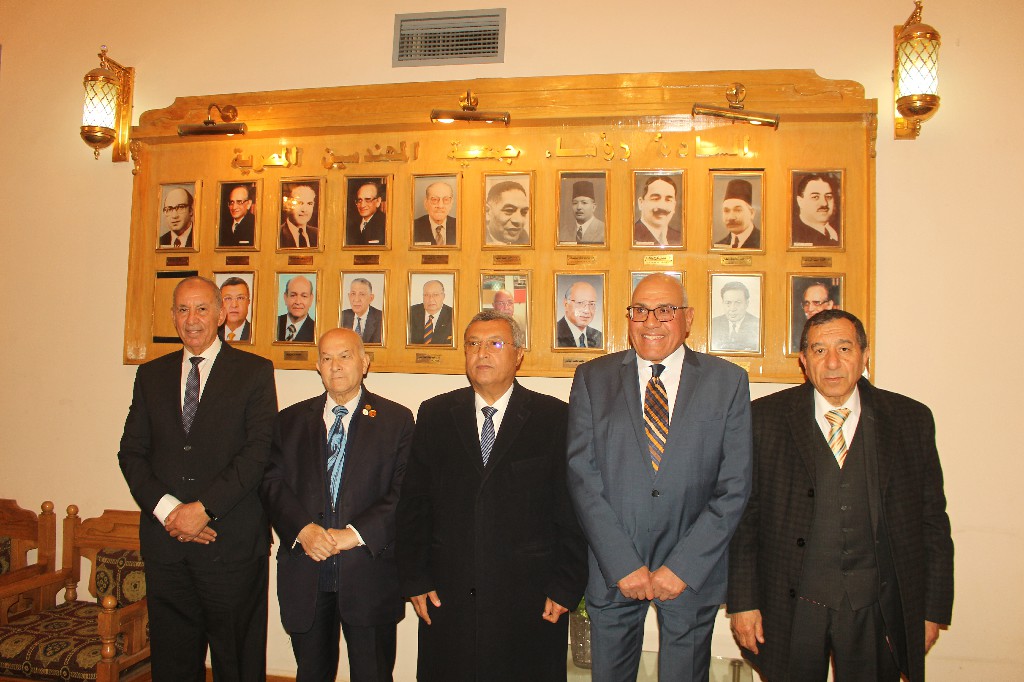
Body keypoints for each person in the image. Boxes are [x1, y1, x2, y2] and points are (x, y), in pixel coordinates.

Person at [728, 309, 953, 682]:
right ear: (803, 360)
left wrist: (931, 610)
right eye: (819, 350)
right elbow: (743, 520)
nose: (832, 362)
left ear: (865, 355)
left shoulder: (910, 419)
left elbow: (933, 521)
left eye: (844, 348)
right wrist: (743, 602)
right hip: (791, 606)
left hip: (877, 607)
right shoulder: (762, 419)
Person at [567, 273, 752, 682]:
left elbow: (734, 486)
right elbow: (582, 478)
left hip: (690, 574)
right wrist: (621, 562)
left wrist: (683, 567)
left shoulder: (728, 381)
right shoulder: (593, 379)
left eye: (665, 310)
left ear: (688, 318)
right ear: (629, 317)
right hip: (614, 571)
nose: (651, 321)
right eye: (640, 310)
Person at [396, 310, 587, 681]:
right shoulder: (435, 414)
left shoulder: (553, 417)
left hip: (529, 596)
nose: (481, 353)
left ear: (518, 355)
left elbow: (572, 509)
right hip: (448, 594)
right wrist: (415, 578)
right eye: (473, 344)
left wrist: (566, 585)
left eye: (495, 344)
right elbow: (414, 505)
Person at [117, 275, 277, 681]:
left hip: (231, 546)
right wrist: (171, 511)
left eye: (202, 309)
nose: (192, 320)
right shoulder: (150, 375)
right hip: (167, 547)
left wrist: (204, 509)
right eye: (183, 310)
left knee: (237, 664)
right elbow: (131, 453)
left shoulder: (255, 372)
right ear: (173, 316)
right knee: (172, 665)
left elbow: (258, 453)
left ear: (221, 314)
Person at [261, 328, 413, 682]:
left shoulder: (396, 420)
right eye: (327, 358)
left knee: (372, 675)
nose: (336, 366)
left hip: (368, 574)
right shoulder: (289, 421)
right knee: (311, 673)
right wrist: (302, 529)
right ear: (317, 366)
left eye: (345, 356)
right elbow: (271, 482)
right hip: (306, 572)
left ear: (364, 362)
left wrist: (354, 534)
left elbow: (404, 491)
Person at [710, 281, 760, 352]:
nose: (732, 308)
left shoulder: (757, 325)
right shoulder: (713, 324)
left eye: (738, 303)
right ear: (722, 303)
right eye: (728, 303)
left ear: (746, 303)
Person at [792, 173, 840, 246]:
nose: (824, 203)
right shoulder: (793, 235)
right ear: (800, 202)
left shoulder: (841, 231)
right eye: (815, 197)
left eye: (828, 197)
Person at [633, 175, 681, 246]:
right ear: (641, 203)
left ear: (674, 205)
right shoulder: (630, 236)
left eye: (668, 200)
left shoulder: (680, 238)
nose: (662, 206)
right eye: (655, 199)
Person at [555, 281, 602, 348]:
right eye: (580, 303)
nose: (587, 310)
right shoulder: (553, 334)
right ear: (566, 304)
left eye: (591, 304)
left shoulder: (599, 337)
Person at [716, 178, 760, 249]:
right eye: (726, 211)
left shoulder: (764, 243)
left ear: (751, 213)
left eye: (738, 210)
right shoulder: (718, 246)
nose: (731, 217)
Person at [791, 281, 836, 350]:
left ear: (829, 305)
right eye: (806, 303)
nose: (810, 309)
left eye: (816, 303)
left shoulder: (838, 333)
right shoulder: (797, 335)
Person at [484, 180, 530, 245]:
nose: (519, 220)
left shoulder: (525, 239)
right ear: (487, 212)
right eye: (509, 210)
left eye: (523, 212)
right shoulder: (475, 240)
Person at [407, 279, 453, 345]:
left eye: (435, 295)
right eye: (426, 295)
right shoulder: (410, 313)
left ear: (443, 296)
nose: (431, 299)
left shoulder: (453, 315)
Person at [413, 181, 456, 246]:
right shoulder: (413, 227)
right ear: (426, 203)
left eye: (446, 200)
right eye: (434, 200)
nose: (440, 206)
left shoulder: (460, 227)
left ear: (451, 204)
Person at [340, 277, 383, 344]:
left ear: (371, 298)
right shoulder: (341, 316)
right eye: (353, 294)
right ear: (349, 296)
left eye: (362, 294)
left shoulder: (381, 319)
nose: (356, 299)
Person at [560, 180, 604, 244]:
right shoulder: (564, 231)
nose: (579, 207)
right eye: (575, 203)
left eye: (584, 203)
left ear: (593, 207)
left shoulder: (604, 231)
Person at [277, 275, 315, 342]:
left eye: (304, 296)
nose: (298, 302)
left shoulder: (316, 330)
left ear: (311, 299)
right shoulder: (274, 324)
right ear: (285, 298)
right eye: (293, 295)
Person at [347, 181, 387, 246]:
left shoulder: (386, 224)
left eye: (368, 200)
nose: (362, 205)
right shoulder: (351, 225)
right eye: (359, 200)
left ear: (378, 201)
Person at [280, 184, 320, 248]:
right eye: (299, 203)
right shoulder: (278, 234)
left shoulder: (318, 234)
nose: (304, 210)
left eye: (309, 203)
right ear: (287, 205)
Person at [217, 276, 252, 342]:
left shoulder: (256, 334)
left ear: (248, 302)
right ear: (220, 303)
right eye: (228, 298)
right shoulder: (212, 334)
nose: (234, 305)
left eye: (240, 298)